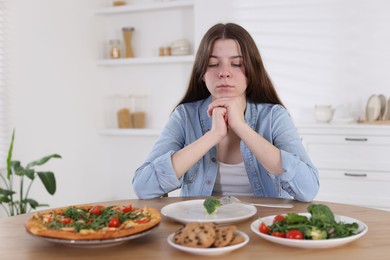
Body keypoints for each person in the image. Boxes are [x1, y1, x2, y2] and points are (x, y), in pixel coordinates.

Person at [132, 23, 319, 202]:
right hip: (202, 229)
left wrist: (241, 126)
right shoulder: (184, 116)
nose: (224, 73)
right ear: (202, 73)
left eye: (237, 63)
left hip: (261, 228)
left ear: (252, 71)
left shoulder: (274, 116)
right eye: (213, 64)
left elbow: (308, 189)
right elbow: (143, 187)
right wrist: (214, 135)